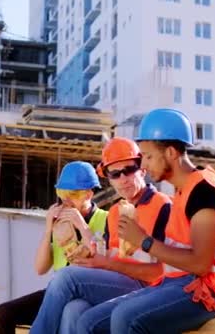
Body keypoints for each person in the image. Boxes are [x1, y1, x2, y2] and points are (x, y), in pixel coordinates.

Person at [76, 108, 215, 333]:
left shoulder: (202, 190)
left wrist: (144, 241)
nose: (143, 165)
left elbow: (200, 264)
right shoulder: (193, 187)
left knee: (125, 318)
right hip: (182, 280)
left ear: (171, 153)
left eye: (149, 156)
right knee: (89, 322)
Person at [29, 137, 172, 334]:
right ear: (109, 179)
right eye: (115, 173)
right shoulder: (115, 212)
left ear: (143, 170)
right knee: (74, 309)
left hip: (148, 289)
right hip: (116, 284)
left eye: (129, 170)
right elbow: (105, 257)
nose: (123, 179)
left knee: (66, 278)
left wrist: (105, 263)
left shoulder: (162, 207)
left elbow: (163, 273)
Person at [0, 161, 107, 334]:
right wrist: (48, 230)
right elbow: (40, 268)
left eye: (73, 194)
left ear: (89, 194)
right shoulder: (60, 223)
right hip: (58, 292)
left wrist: (82, 226)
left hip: (88, 292)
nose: (66, 200)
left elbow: (103, 259)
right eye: (61, 193)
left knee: (71, 313)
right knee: (4, 312)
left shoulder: (106, 219)